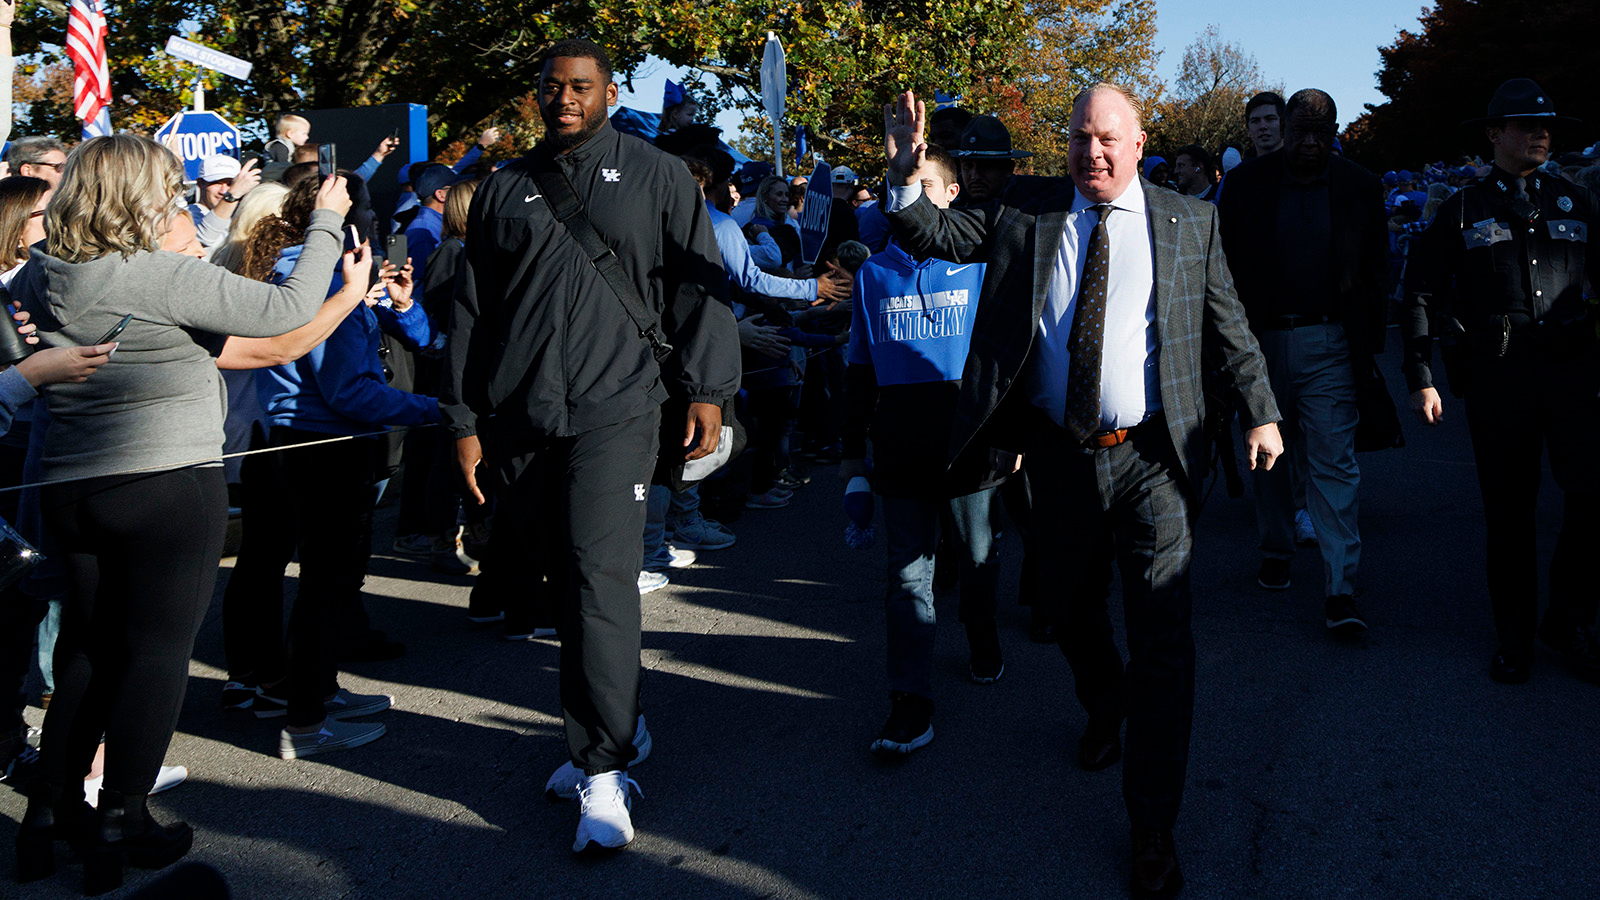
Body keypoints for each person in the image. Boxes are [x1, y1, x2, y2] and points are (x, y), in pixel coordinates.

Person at [882, 85, 1282, 899]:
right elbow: (934, 230)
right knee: (1066, 608)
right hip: (1056, 457)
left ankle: (1152, 826)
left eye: (1107, 139)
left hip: (1155, 462)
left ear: (1139, 145)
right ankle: (1106, 703)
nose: (1091, 152)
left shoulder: (1188, 221)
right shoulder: (1026, 213)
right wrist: (903, 169)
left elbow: (1229, 326)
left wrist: (1262, 414)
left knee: (1164, 638)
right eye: (1078, 138)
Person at [10, 134, 351, 891]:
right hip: (164, 481)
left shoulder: (42, 274)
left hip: (72, 486)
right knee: (155, 656)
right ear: (136, 196)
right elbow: (284, 309)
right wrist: (326, 222)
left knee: (88, 654)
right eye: (162, 189)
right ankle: (121, 819)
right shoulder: (156, 275)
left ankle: (48, 815)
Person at [441, 39, 739, 853]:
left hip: (620, 408)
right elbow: (472, 314)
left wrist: (709, 390)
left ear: (609, 92)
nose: (564, 98)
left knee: (602, 576)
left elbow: (698, 286)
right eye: (551, 87)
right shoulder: (504, 190)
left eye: (580, 86)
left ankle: (604, 770)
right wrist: (465, 423)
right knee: (564, 583)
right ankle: (609, 730)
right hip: (524, 416)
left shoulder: (659, 175)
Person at [1403, 78, 1600, 686]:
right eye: (1524, 124)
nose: (1541, 133)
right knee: (1510, 514)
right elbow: (1421, 292)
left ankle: (1565, 621)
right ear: (1494, 134)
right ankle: (1515, 639)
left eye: (1546, 124)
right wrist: (1421, 375)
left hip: (1571, 373)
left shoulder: (1574, 201)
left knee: (1592, 496)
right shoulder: (1462, 208)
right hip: (1500, 378)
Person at [840, 143, 1007, 757]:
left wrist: (1010, 438)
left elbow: (1006, 363)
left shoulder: (982, 268)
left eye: (925, 185)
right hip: (902, 450)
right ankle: (909, 703)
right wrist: (851, 459)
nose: (909, 197)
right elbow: (857, 372)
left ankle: (982, 632)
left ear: (952, 194)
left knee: (979, 560)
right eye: (899, 185)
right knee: (908, 579)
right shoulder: (871, 275)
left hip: (971, 448)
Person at [1217, 88, 1388, 634]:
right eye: (1301, 132)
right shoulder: (1245, 186)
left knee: (1334, 459)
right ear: (1284, 129)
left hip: (1332, 341)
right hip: (1259, 341)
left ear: (1335, 130)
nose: (1310, 143)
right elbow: (1222, 269)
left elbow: (1378, 269)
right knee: (1267, 449)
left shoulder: (1360, 186)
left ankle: (1341, 586)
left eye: (1322, 132)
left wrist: (1369, 346)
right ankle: (1276, 547)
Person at [951, 114, 1030, 205]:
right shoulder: (952, 209)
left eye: (985, 166)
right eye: (968, 166)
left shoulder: (1028, 209)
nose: (975, 176)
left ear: (1008, 168)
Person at [189, 154, 264, 249]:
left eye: (230, 184)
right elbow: (204, 238)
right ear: (200, 184)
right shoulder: (187, 215)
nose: (223, 191)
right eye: (216, 183)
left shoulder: (242, 216)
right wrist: (232, 195)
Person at [1245, 92, 1285, 158]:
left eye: (1270, 119)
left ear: (1284, 124)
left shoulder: (1303, 166)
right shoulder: (1241, 168)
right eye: (1255, 121)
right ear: (1248, 127)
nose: (1263, 126)